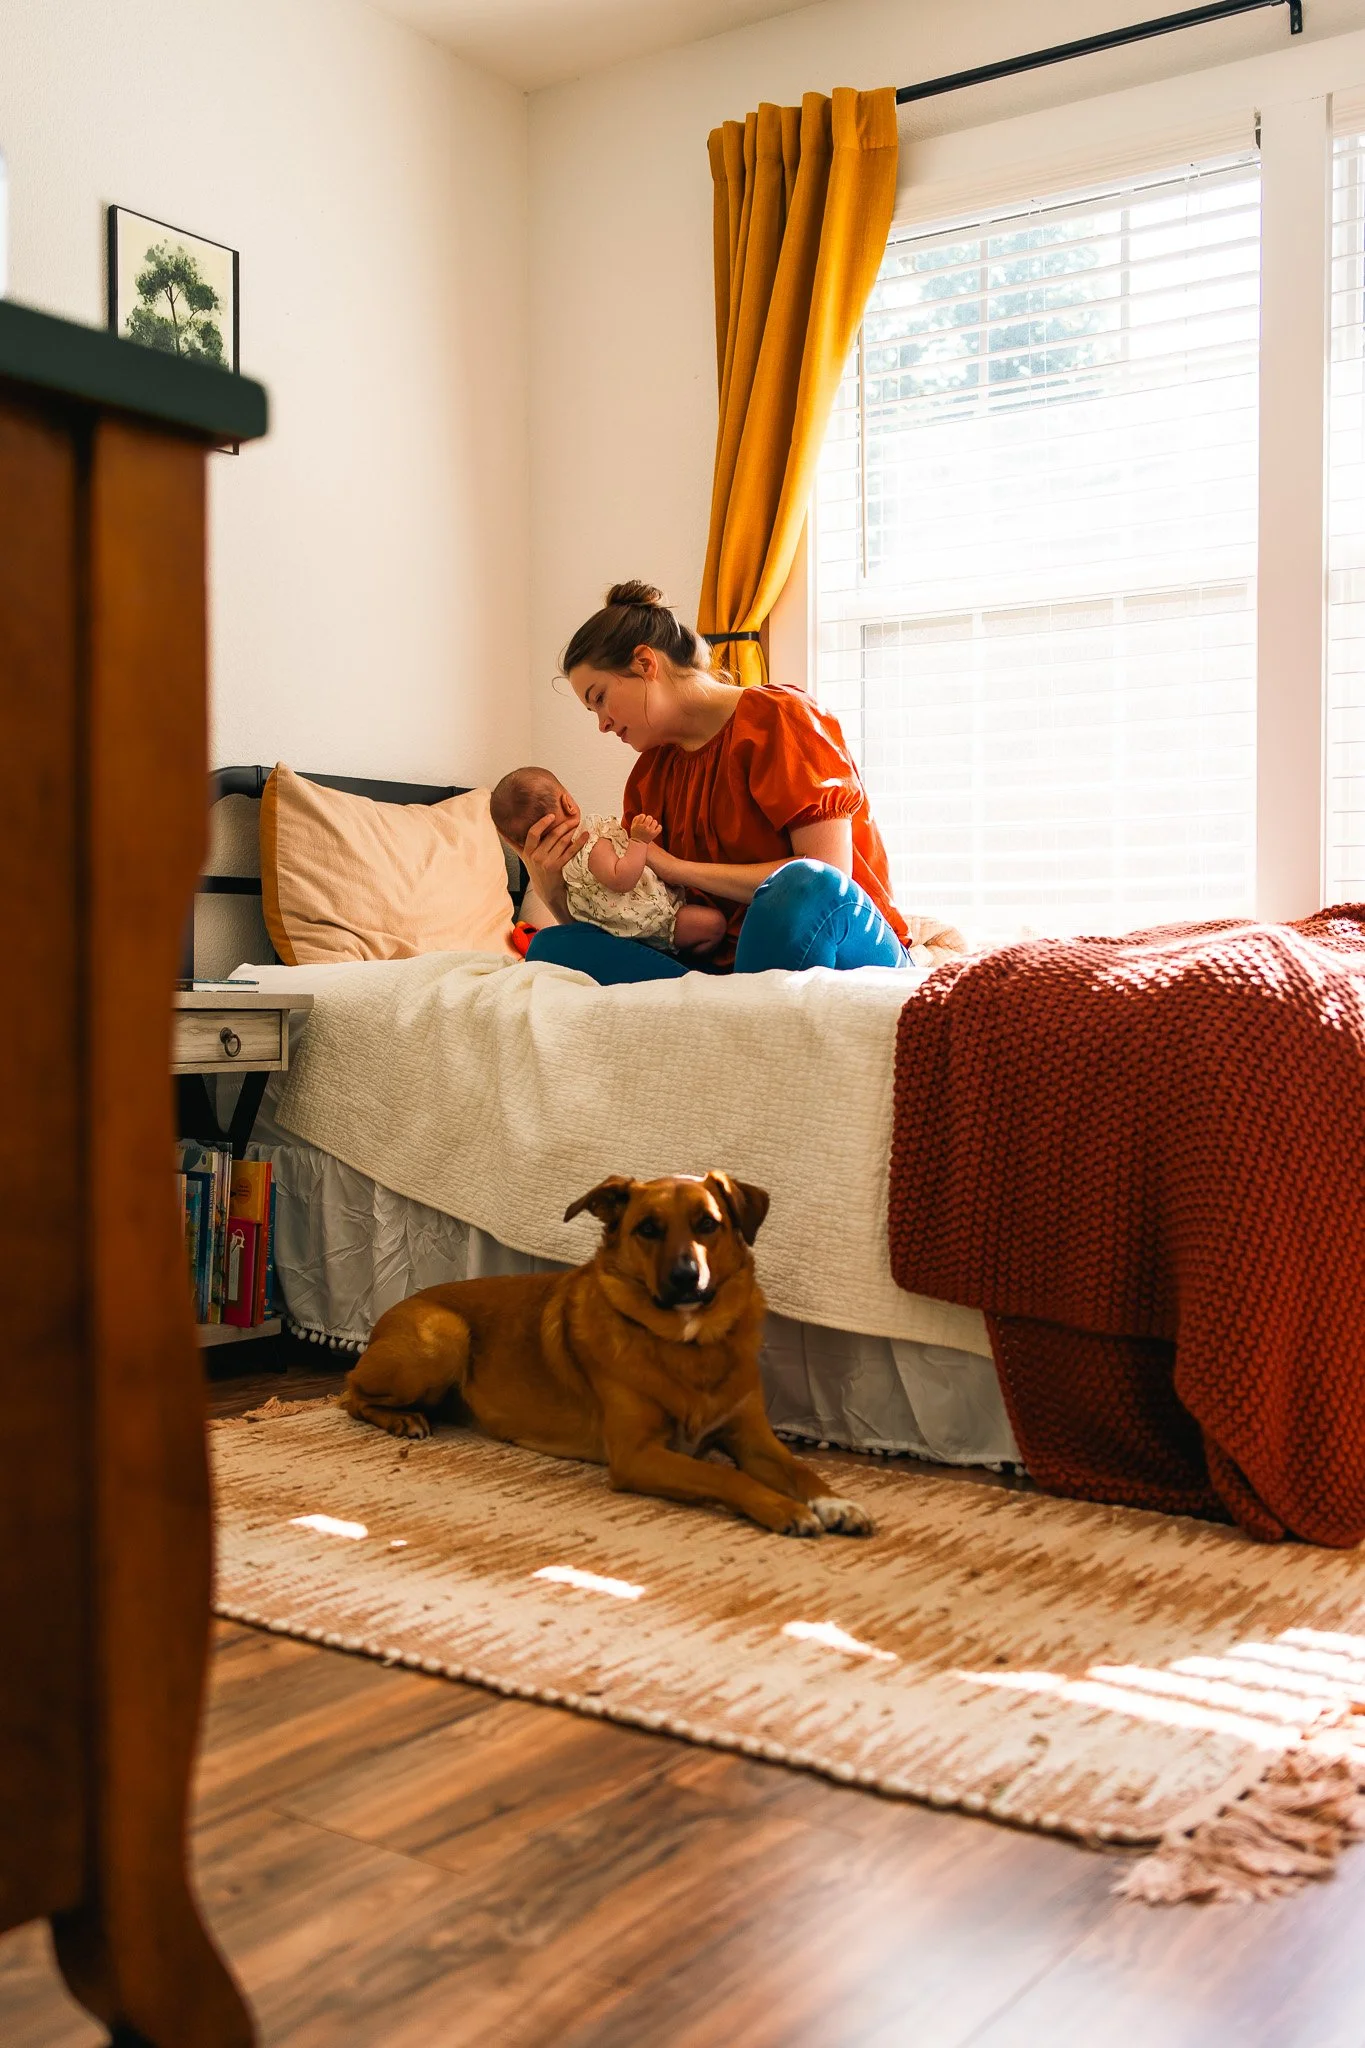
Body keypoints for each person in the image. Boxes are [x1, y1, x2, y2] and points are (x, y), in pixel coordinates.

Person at [521, 580, 935, 986]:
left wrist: (680, 868)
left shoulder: (779, 718)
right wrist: (554, 892)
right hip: (722, 968)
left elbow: (826, 876)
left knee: (798, 883)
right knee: (554, 948)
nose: (602, 723)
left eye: (599, 697)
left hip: (839, 941)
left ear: (645, 664)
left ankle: (732, 1012)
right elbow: (639, 919)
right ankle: (727, 1012)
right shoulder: (648, 776)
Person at [489, 765, 727, 958]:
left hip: (629, 934)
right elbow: (621, 878)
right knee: (715, 925)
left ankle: (679, 959)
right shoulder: (590, 845)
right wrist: (639, 842)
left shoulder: (561, 868)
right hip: (659, 922)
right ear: (568, 803)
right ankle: (685, 962)